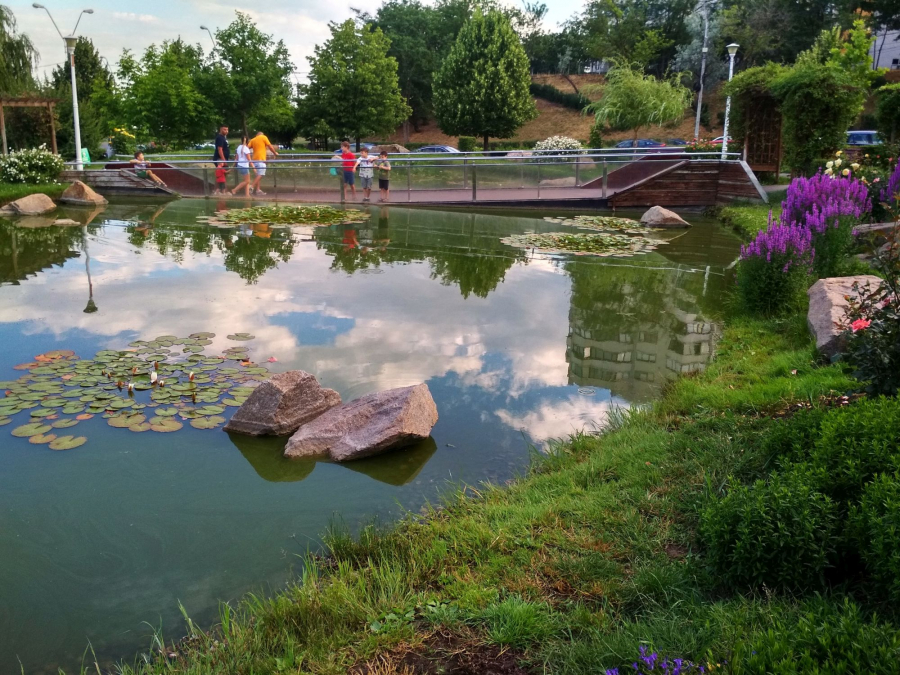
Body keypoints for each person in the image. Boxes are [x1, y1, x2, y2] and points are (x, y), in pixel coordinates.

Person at [247, 131, 278, 196]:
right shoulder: (263, 137)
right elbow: (270, 146)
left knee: (258, 175)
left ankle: (258, 190)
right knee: (261, 174)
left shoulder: (253, 140)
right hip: (261, 159)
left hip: (254, 160)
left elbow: (247, 148)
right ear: (261, 134)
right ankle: (251, 187)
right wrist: (275, 153)